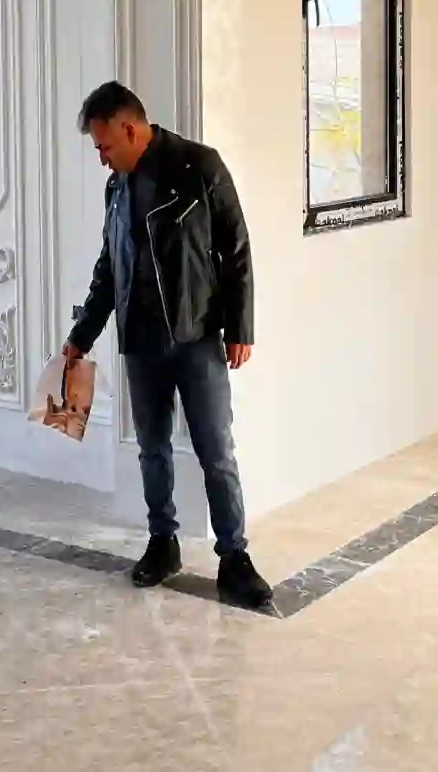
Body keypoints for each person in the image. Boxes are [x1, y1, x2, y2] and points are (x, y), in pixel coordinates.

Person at [63, 81, 272, 608]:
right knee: (151, 449)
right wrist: (81, 335)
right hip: (141, 342)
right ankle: (163, 543)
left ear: (130, 129)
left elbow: (237, 249)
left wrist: (240, 327)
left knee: (215, 451)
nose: (102, 159)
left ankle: (234, 558)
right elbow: (109, 268)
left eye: (105, 146)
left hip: (196, 336)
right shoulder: (117, 189)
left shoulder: (199, 167)